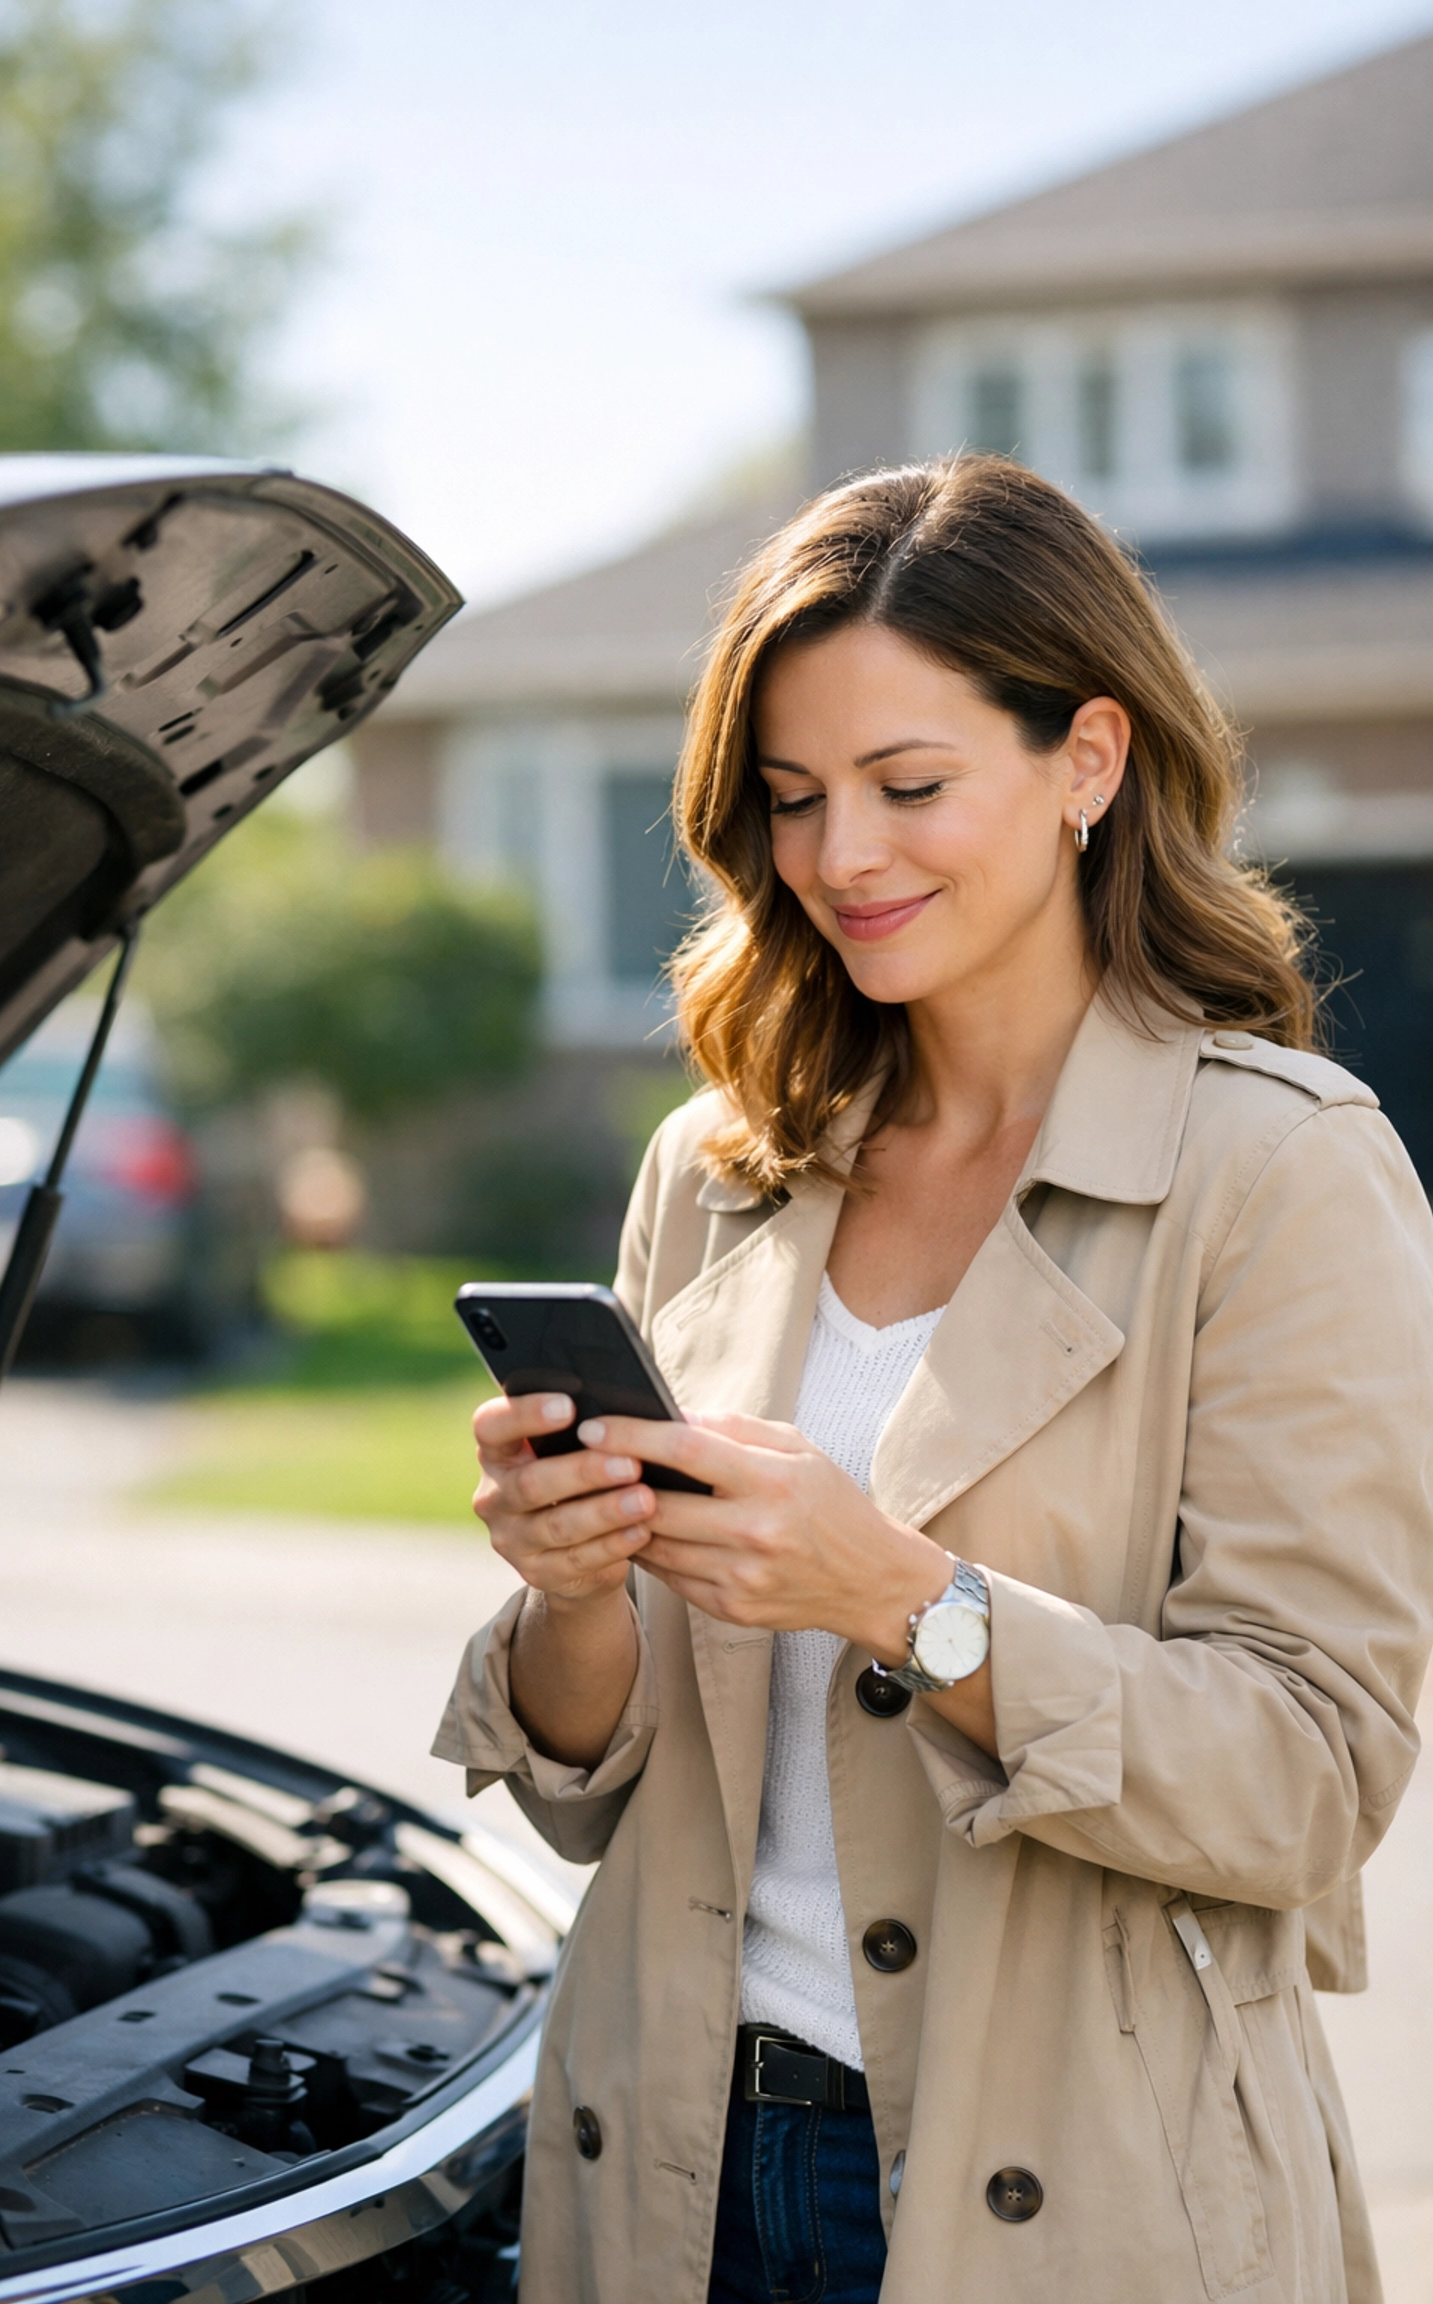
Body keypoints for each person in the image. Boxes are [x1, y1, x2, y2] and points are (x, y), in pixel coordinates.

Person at [435, 457, 1433, 2304]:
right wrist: (572, 1590)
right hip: (668, 2164)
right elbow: (589, 1792)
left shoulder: (1280, 1170)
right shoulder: (718, 1166)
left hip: (1077, 2186)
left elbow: (1305, 1779)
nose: (842, 859)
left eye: (909, 787)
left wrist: (902, 1597)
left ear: (1088, 761)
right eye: (793, 798)